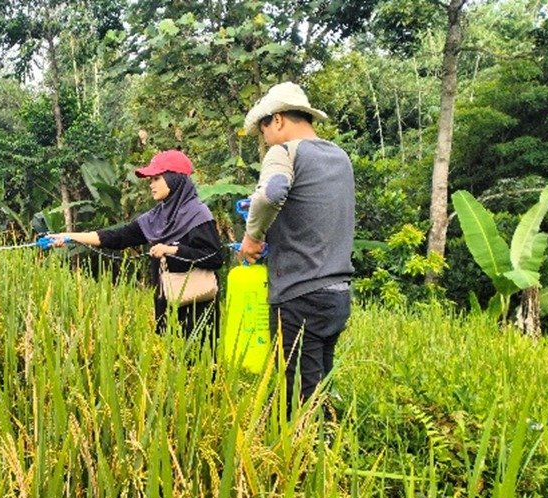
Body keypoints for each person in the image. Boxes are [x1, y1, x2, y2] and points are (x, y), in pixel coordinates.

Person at [238, 82, 354, 417]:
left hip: (299, 294)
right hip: (337, 295)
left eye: (264, 132)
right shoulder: (339, 157)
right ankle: (329, 455)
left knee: (298, 398)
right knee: (319, 388)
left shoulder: (285, 151)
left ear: (277, 120)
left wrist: (253, 236)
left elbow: (273, 192)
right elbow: (312, 213)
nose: (265, 142)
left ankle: (304, 464)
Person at [50, 150, 223, 344]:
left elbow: (214, 257)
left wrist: (173, 250)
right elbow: (118, 237)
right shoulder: (155, 217)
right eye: (151, 180)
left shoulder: (198, 214)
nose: (151, 185)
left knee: (199, 364)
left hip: (197, 305)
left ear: (174, 179)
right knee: (169, 361)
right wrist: (70, 237)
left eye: (157, 178)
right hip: (166, 301)